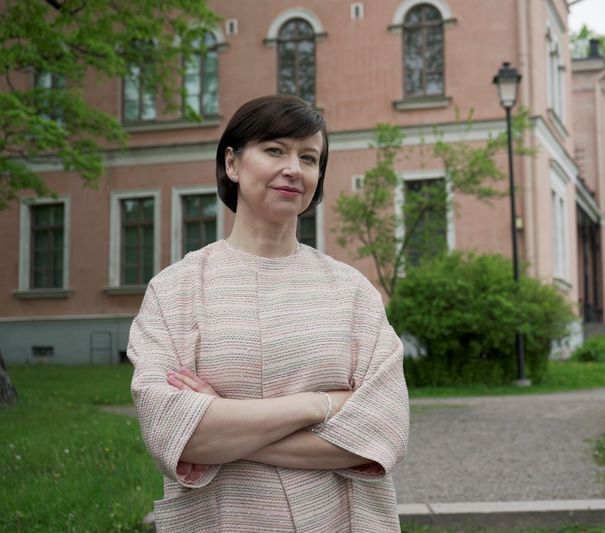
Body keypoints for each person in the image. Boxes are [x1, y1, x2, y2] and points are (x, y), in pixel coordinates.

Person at [128, 95, 409, 532]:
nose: (294, 169)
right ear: (232, 164)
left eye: (310, 158)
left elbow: (382, 433)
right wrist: (321, 405)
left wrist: (222, 423)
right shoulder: (175, 291)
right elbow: (171, 431)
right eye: (275, 150)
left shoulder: (352, 291)